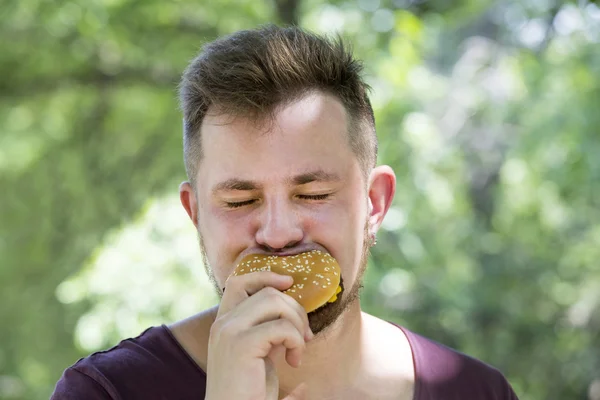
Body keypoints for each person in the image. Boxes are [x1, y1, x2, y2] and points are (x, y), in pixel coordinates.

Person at [51, 25, 519, 400]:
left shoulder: (476, 390)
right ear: (196, 215)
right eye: (240, 201)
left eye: (313, 194)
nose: (277, 233)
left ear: (374, 203)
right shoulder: (106, 392)